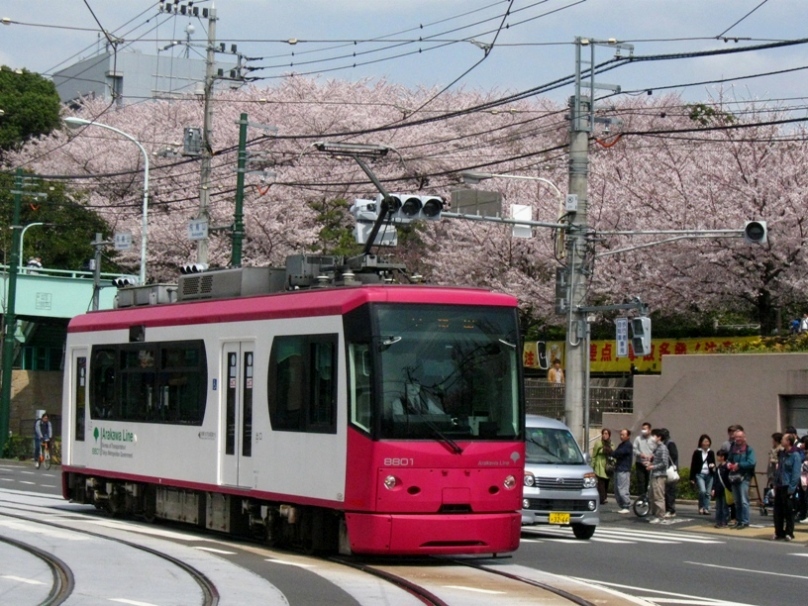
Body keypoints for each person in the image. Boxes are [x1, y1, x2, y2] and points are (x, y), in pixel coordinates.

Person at [773, 433, 801, 541]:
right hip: (780, 485)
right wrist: (775, 484)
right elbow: (779, 470)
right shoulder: (782, 454)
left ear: (789, 441)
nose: (781, 441)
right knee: (778, 511)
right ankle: (779, 532)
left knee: (788, 511)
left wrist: (792, 488)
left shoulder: (795, 455)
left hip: (788, 485)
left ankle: (789, 532)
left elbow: (795, 473)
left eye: (784, 439)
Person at [727, 428, 756, 529]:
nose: (738, 439)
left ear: (744, 437)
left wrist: (739, 465)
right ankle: (738, 521)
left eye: (740, 437)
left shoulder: (749, 449)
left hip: (744, 477)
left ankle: (745, 521)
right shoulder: (733, 448)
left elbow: (752, 462)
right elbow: (729, 459)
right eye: (736, 437)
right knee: (737, 501)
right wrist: (729, 464)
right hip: (734, 477)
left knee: (744, 500)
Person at [646, 428, 670, 524]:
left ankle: (660, 516)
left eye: (654, 436)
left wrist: (653, 467)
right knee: (653, 496)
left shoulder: (663, 448)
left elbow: (664, 463)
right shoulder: (656, 448)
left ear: (659, 437)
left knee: (658, 496)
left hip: (659, 476)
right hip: (654, 475)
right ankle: (655, 514)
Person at [689, 434, 716, 515]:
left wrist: (712, 465)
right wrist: (692, 478)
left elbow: (713, 463)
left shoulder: (711, 452)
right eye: (705, 441)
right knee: (702, 491)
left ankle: (706, 508)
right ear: (701, 443)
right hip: (700, 474)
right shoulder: (697, 452)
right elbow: (693, 465)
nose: (706, 443)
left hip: (709, 474)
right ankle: (701, 507)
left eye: (708, 441)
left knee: (708, 492)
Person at [633, 421, 655, 500]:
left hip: (649, 463)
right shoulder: (638, 439)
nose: (643, 430)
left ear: (649, 430)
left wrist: (652, 456)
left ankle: (647, 498)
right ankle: (641, 498)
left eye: (645, 429)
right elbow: (634, 449)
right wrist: (640, 454)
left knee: (648, 481)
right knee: (641, 481)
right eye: (642, 429)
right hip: (640, 463)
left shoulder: (653, 440)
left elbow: (656, 451)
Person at [613, 428, 633, 513]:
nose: (621, 436)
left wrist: (612, 453)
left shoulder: (628, 445)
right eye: (621, 434)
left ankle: (626, 505)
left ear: (628, 436)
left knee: (622, 489)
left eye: (623, 435)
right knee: (617, 490)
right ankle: (622, 506)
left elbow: (619, 453)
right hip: (618, 468)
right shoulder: (621, 444)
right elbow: (615, 453)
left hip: (624, 470)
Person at [592, 428, 613, 506]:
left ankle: (604, 497)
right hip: (599, 465)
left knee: (606, 482)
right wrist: (592, 466)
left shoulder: (611, 444)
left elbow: (613, 454)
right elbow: (594, 455)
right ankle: (601, 498)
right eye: (603, 433)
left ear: (609, 435)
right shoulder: (598, 443)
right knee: (601, 483)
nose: (605, 435)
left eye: (606, 433)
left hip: (607, 466)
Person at [661, 428, 678, 518]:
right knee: (666, 490)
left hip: (670, 470)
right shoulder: (664, 444)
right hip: (666, 470)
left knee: (669, 490)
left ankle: (671, 510)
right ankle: (667, 508)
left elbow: (674, 456)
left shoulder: (670, 443)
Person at [712, 449, 731, 528]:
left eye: (719, 456)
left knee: (724, 507)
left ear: (723, 457)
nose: (717, 458)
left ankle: (724, 521)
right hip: (718, 489)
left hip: (725, 489)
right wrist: (713, 488)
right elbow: (715, 479)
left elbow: (728, 478)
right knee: (718, 506)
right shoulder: (718, 467)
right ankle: (718, 521)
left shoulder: (727, 467)